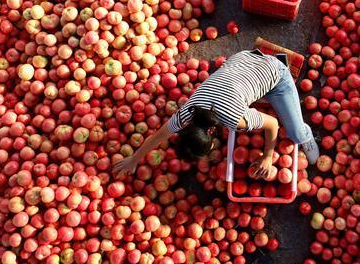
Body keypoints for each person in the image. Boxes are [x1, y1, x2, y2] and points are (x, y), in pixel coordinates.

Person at [113, 49, 319, 178]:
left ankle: (305, 134)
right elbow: (159, 136)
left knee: (295, 134)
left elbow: (272, 124)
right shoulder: (187, 112)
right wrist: (135, 158)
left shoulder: (234, 119)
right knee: (249, 96)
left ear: (211, 136)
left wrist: (267, 156)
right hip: (241, 58)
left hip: (274, 73)